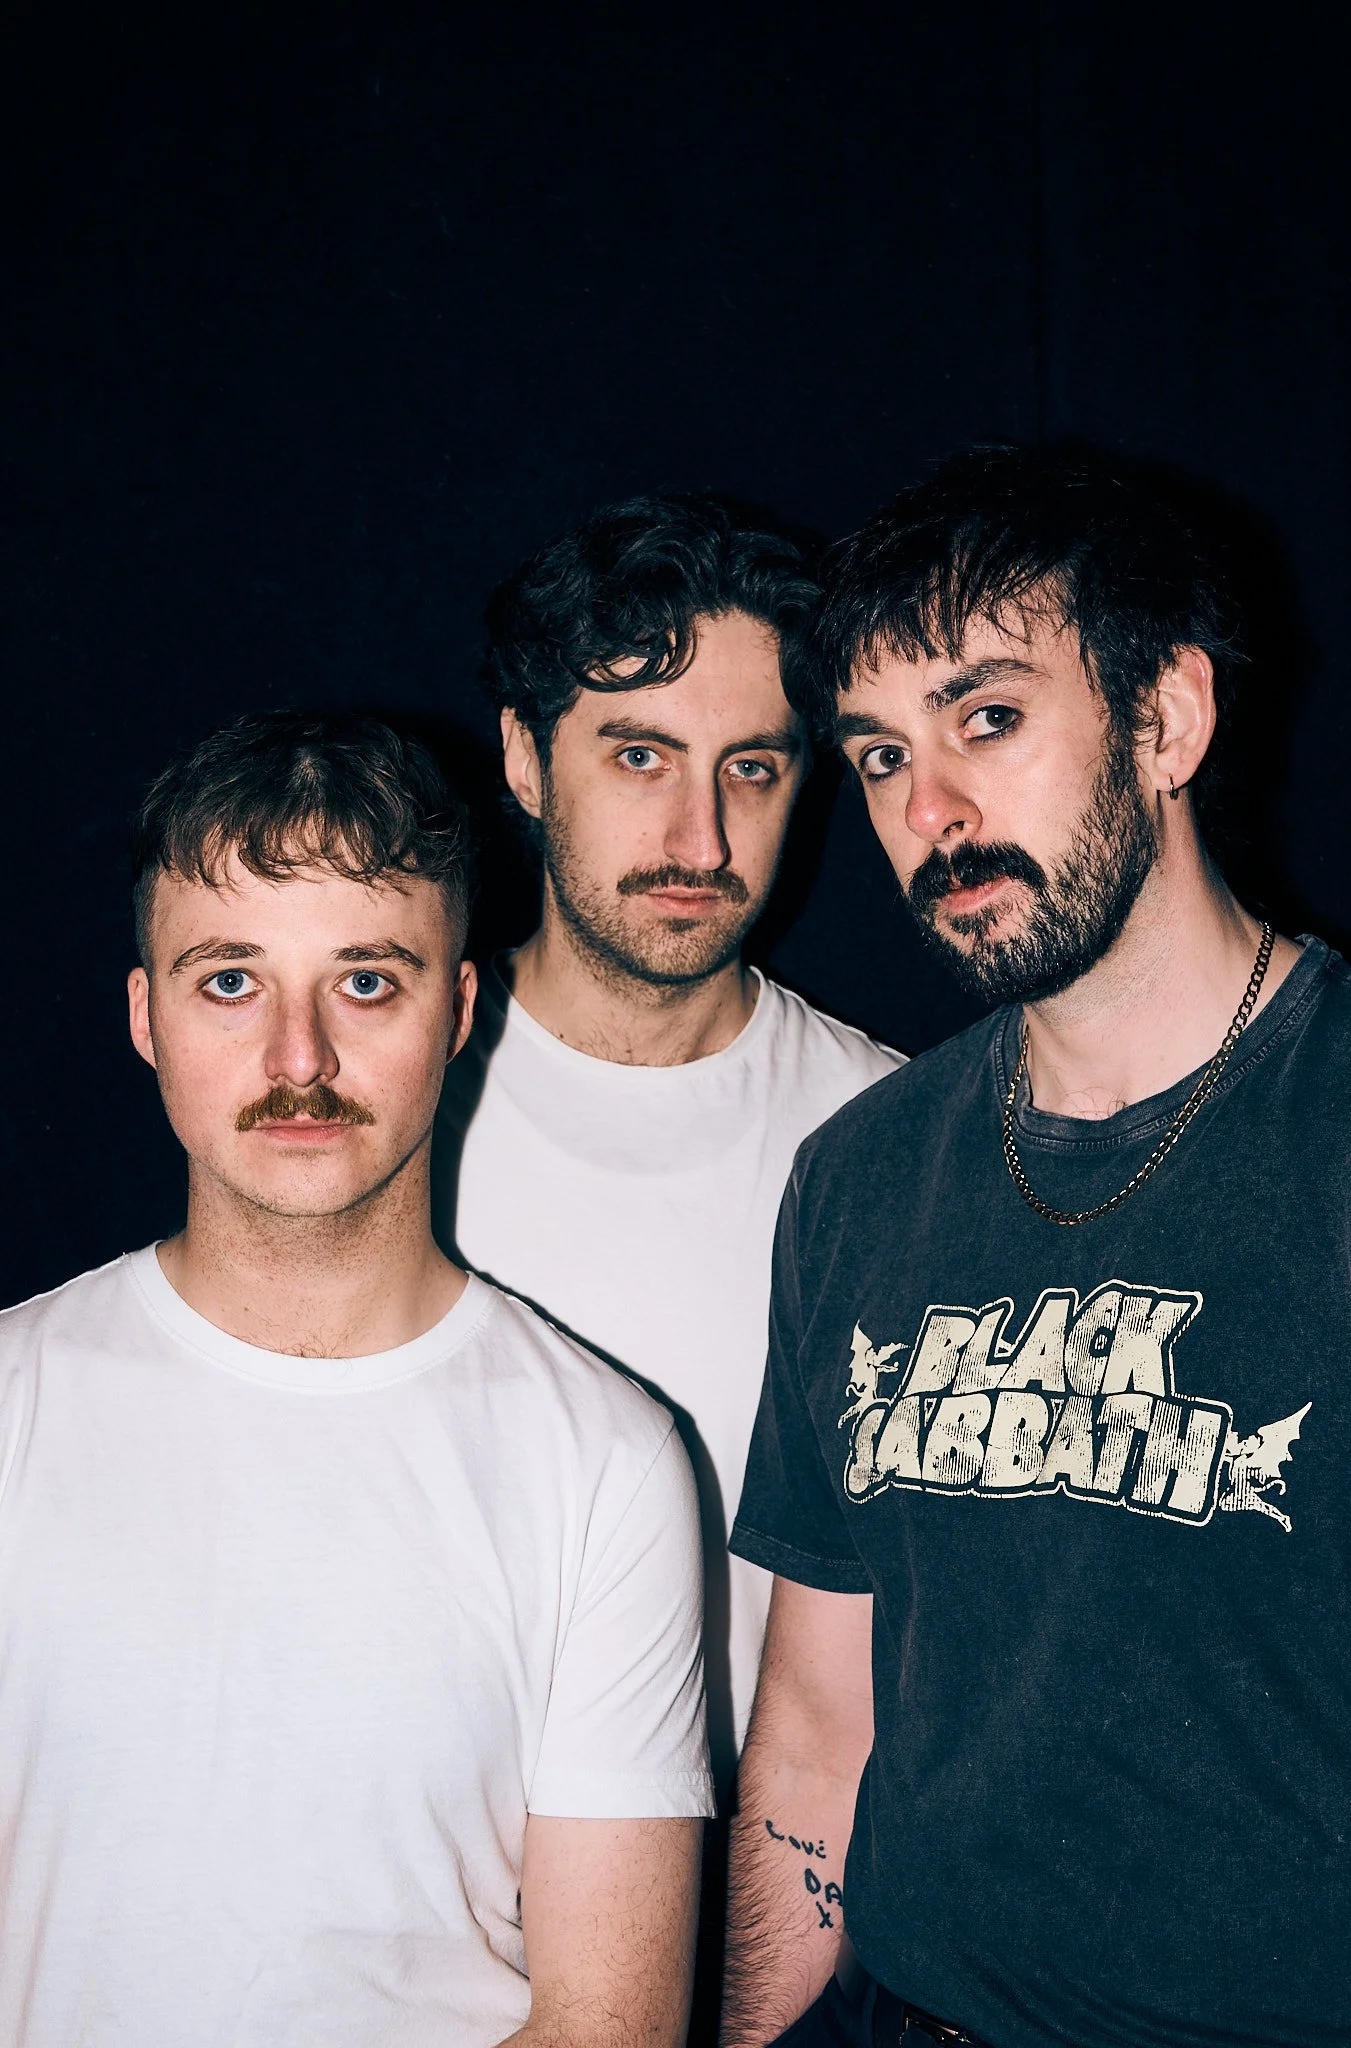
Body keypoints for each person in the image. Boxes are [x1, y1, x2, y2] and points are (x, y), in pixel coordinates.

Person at [723, 446, 1351, 2047]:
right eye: (875, 757)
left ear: (1170, 721)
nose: (928, 811)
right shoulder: (859, 1178)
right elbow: (814, 1724)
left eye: (987, 720)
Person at [0, 710, 712, 2048]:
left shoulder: (607, 1464)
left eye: (366, 981)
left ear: (457, 1009)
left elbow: (606, 2028)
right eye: (231, 981)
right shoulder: (12, 1407)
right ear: (144, 1016)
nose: (299, 1058)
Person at [434, 493, 903, 1790]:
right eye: (640, 756)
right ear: (526, 760)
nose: (700, 840)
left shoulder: (898, 1145)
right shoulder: (383, 1105)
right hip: (412, 1920)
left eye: (750, 768)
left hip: (758, 1922)